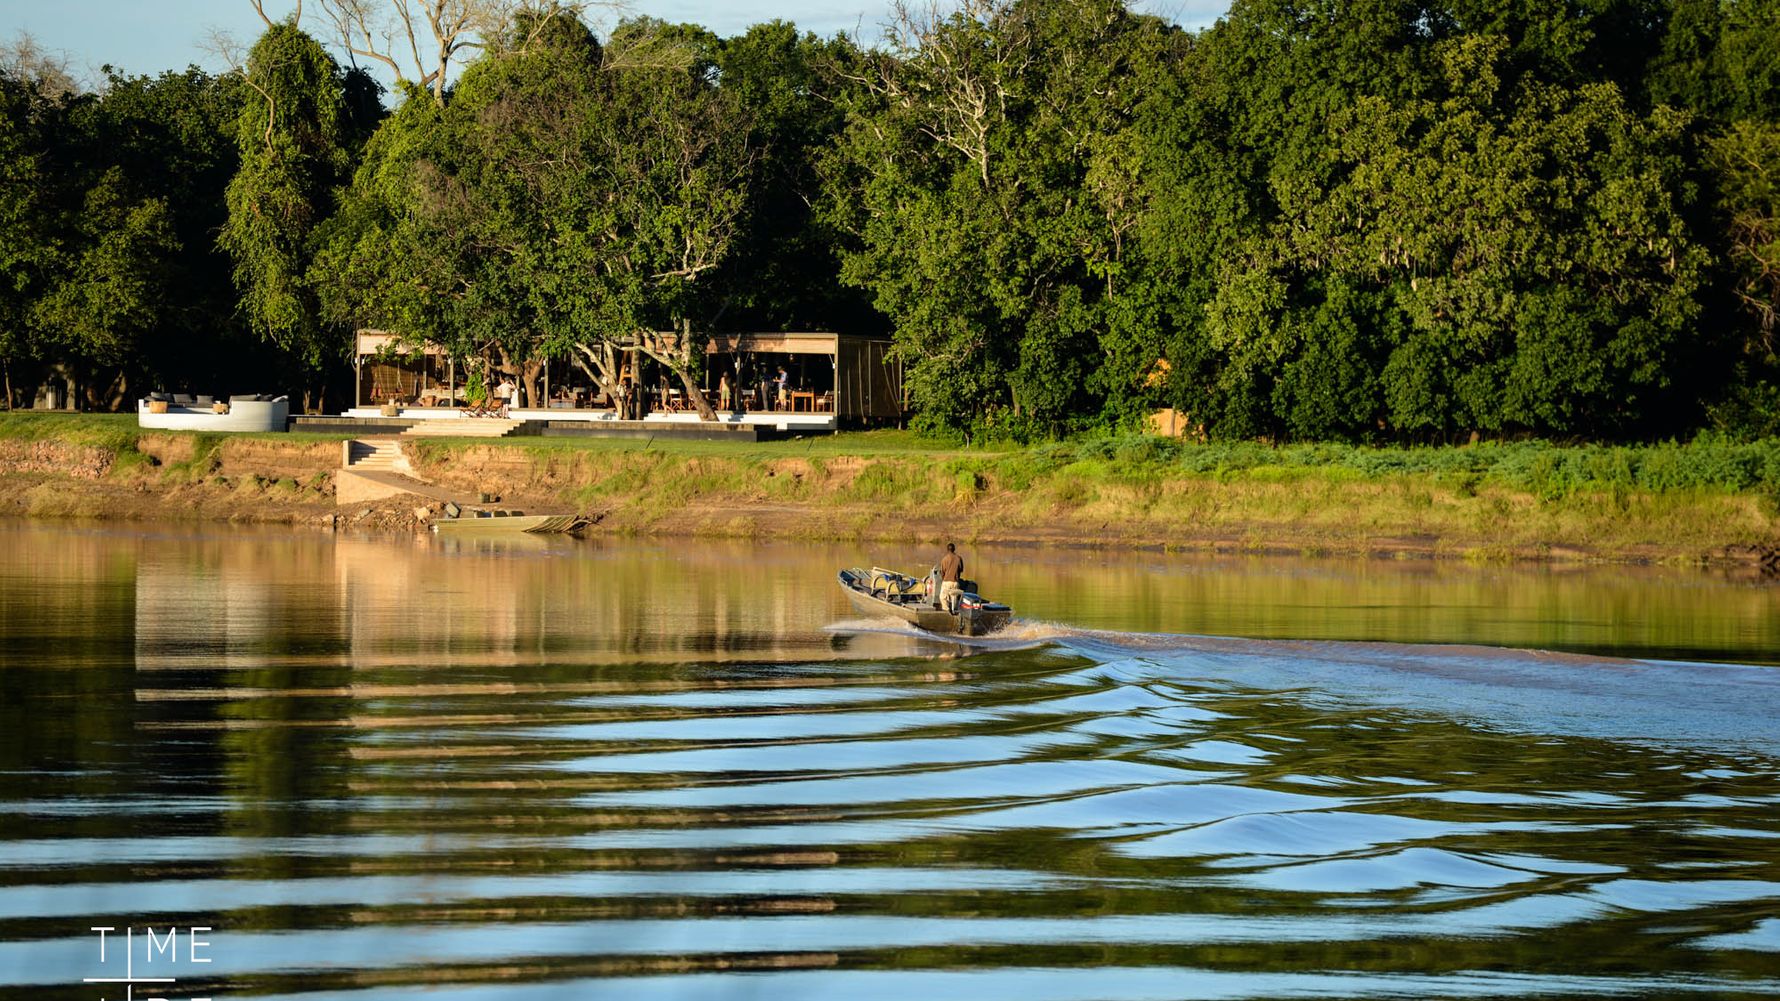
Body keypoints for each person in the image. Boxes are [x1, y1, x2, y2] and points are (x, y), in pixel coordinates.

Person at [937, 542, 964, 613]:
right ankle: (954, 611)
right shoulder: (959, 558)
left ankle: (946, 610)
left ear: (947, 550)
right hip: (955, 582)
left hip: (946, 581)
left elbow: (942, 572)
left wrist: (944, 579)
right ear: (954, 549)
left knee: (942, 597)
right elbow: (961, 570)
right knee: (954, 597)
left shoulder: (944, 559)